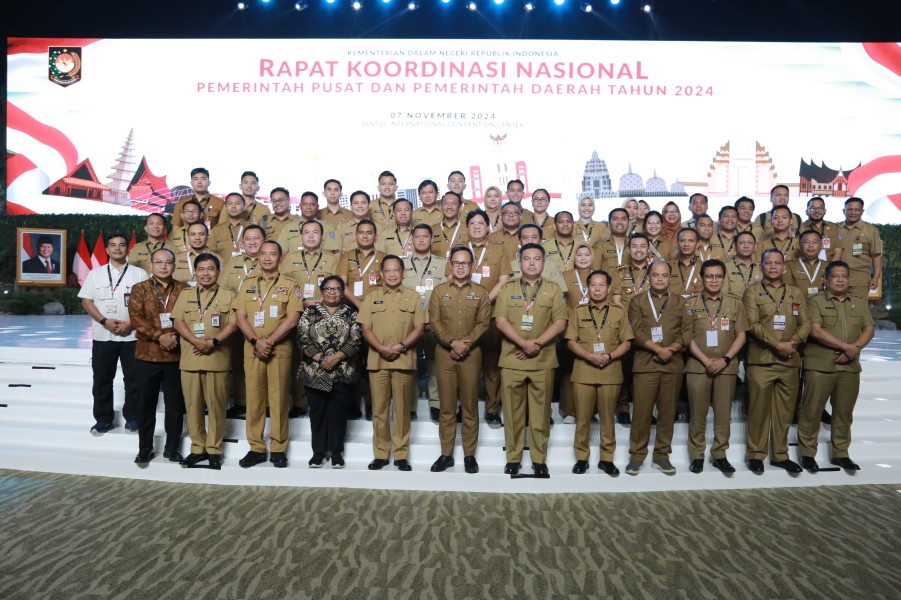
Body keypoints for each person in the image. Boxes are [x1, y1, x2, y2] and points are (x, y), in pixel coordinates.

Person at [493, 243, 567, 476]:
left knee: (540, 415)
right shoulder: (507, 288)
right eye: (527, 258)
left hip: (542, 360)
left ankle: (539, 459)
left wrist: (536, 344)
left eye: (537, 258)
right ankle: (513, 458)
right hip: (512, 359)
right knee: (513, 415)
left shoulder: (553, 290)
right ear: (519, 262)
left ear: (543, 263)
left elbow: (560, 323)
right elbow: (500, 321)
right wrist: (523, 343)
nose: (532, 263)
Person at [798, 261, 874, 472]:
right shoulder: (815, 301)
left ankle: (841, 453)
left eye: (844, 276)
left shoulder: (858, 302)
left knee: (843, 413)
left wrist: (854, 348)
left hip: (849, 368)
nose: (840, 280)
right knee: (811, 412)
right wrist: (847, 348)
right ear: (826, 279)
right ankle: (807, 454)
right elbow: (815, 330)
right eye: (835, 276)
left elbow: (869, 328)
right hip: (820, 366)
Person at [233, 240, 303, 468]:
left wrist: (270, 341)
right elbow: (240, 316)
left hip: (279, 350)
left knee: (279, 399)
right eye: (263, 254)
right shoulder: (247, 284)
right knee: (254, 399)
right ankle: (256, 447)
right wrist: (256, 340)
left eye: (272, 254)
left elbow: (293, 318)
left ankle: (278, 448)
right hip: (252, 349)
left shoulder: (290, 285)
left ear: (280, 257)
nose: (267, 258)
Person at [743, 249, 811, 474]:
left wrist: (793, 342)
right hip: (761, 361)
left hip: (790, 361)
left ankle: (780, 455)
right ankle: (756, 454)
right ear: (761, 266)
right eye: (768, 263)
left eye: (777, 263)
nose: (773, 267)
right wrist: (777, 345)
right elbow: (752, 325)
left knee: (784, 412)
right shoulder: (752, 292)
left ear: (784, 267)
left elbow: (806, 324)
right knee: (758, 411)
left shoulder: (795, 293)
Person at [357, 256, 428, 471]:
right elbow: (365, 328)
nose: (392, 274)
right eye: (387, 270)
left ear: (403, 272)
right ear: (381, 274)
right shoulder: (371, 297)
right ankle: (380, 454)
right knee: (379, 410)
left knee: (402, 410)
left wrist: (401, 347)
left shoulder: (414, 297)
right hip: (378, 361)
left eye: (396, 270)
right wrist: (381, 348)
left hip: (404, 360)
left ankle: (400, 455)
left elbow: (420, 328)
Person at [428, 247, 491, 473]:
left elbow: (484, 323)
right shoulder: (439, 291)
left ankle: (469, 455)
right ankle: (446, 454)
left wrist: (465, 344)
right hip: (445, 354)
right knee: (446, 407)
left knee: (470, 407)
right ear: (451, 266)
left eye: (465, 263)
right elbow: (434, 322)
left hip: (471, 354)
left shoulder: (482, 292)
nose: (461, 267)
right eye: (456, 263)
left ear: (471, 266)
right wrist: (451, 343)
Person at [171, 253, 237, 468]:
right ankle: (197, 448)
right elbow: (178, 321)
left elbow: (234, 323)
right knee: (192, 406)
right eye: (201, 269)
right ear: (195, 272)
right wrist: (195, 341)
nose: (205, 273)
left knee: (217, 406)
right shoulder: (185, 294)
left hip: (217, 359)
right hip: (190, 358)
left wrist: (214, 342)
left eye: (210, 269)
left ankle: (214, 449)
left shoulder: (229, 295)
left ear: (218, 271)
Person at [626, 261, 691, 475]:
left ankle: (662, 455)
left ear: (671, 278)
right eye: (656, 275)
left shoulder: (681, 303)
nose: (660, 279)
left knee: (667, 413)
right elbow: (636, 331)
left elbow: (687, 332)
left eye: (665, 275)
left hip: (672, 365)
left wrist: (670, 350)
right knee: (642, 414)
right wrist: (657, 349)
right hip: (646, 365)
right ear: (649, 277)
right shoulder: (637, 301)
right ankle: (636, 456)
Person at [565, 269, 633, 475]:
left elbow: (627, 342)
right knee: (583, 418)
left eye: (601, 285)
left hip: (610, 372)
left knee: (607, 418)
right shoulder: (578, 311)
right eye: (593, 285)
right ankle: (582, 457)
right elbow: (570, 341)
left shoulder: (619, 312)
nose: (596, 289)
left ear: (609, 288)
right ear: (588, 288)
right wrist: (590, 356)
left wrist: (609, 357)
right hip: (584, 371)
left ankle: (607, 458)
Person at [79, 233, 149, 435]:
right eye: (113, 245)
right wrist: (104, 321)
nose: (117, 248)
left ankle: (133, 417)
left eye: (121, 245)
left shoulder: (139, 274)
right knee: (102, 379)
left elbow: (147, 305)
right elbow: (87, 301)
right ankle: (103, 419)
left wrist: (131, 323)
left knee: (134, 379)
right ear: (107, 250)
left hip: (132, 336)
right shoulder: (96, 274)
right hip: (103, 336)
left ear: (128, 249)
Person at [685, 259, 748, 474]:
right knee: (698, 413)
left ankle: (720, 453)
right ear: (702, 278)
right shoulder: (690, 303)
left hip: (726, 367)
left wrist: (726, 359)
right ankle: (697, 455)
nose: (713, 280)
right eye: (709, 276)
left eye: (718, 276)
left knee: (723, 414)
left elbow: (741, 335)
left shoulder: (735, 303)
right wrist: (704, 360)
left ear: (724, 278)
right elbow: (687, 336)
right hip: (697, 366)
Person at [128, 248, 189, 464]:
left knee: (175, 406)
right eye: (159, 262)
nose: (163, 266)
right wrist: (159, 336)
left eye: (168, 262)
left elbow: (189, 318)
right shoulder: (139, 289)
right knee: (145, 405)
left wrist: (173, 337)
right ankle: (145, 448)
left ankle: (172, 448)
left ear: (174, 265)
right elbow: (136, 318)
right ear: (151, 265)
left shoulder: (185, 289)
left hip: (176, 356)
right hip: (147, 356)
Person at [298, 275, 363, 469]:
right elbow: (302, 338)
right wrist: (320, 357)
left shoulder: (351, 313)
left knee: (338, 414)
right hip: (314, 371)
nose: (332, 292)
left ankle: (336, 453)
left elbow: (356, 340)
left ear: (343, 292)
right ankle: (318, 453)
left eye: (336, 289)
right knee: (317, 413)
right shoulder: (310, 312)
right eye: (328, 288)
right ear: (322, 291)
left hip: (342, 371)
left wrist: (337, 357)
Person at [401, 223, 447, 421]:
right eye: (417, 236)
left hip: (433, 322)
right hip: (409, 324)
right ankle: (409, 405)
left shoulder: (443, 263)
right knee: (408, 364)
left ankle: (436, 403)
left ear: (431, 240)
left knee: (435, 364)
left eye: (425, 236)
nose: (421, 239)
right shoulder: (401, 264)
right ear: (411, 240)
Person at [836, 197, 882, 299]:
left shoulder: (871, 231)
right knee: (837, 311)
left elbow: (876, 257)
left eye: (857, 210)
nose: (853, 212)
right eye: (850, 209)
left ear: (862, 211)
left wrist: (875, 277)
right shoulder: (836, 229)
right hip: (837, 279)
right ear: (844, 211)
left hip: (860, 280)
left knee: (857, 312)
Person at [336, 219, 385, 309]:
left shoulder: (383, 257)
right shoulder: (347, 256)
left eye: (369, 233)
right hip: (350, 306)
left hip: (376, 306)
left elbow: (386, 285)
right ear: (356, 235)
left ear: (376, 236)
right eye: (361, 232)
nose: (365, 236)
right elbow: (341, 284)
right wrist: (358, 303)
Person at [783, 230, 827, 296]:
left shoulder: (829, 266)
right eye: (806, 242)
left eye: (815, 242)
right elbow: (787, 292)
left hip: (822, 305)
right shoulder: (789, 265)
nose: (811, 245)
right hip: (798, 304)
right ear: (799, 246)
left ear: (821, 246)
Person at [802, 196, 842, 262]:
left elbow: (838, 252)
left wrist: (830, 269)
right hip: (805, 267)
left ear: (825, 211)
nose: (817, 211)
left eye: (820, 208)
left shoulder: (834, 228)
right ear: (807, 212)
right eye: (813, 208)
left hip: (829, 268)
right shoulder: (801, 227)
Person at [725, 231, 762, 301]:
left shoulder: (761, 267)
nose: (746, 246)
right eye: (741, 243)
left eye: (750, 243)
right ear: (734, 246)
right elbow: (723, 296)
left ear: (755, 247)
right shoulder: (725, 267)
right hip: (733, 308)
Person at [208, 192, 247, 259]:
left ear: (244, 207)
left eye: (237, 203)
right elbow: (211, 253)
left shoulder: (252, 228)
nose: (233, 206)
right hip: (224, 268)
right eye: (230, 203)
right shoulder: (217, 230)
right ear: (225, 207)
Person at [432, 192, 469, 260]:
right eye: (446, 203)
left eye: (453, 203)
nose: (449, 207)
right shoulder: (431, 230)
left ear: (460, 207)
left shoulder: (468, 228)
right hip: (438, 270)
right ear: (440, 206)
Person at [668, 228, 703, 299]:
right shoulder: (667, 267)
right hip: (672, 308)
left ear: (697, 244)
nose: (686, 244)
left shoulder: (705, 268)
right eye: (682, 241)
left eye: (691, 241)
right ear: (677, 244)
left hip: (696, 308)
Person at [592, 208, 630, 272]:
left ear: (628, 224)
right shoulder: (600, 247)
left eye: (623, 219)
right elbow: (595, 273)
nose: (620, 222)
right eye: (615, 219)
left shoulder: (634, 245)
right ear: (609, 225)